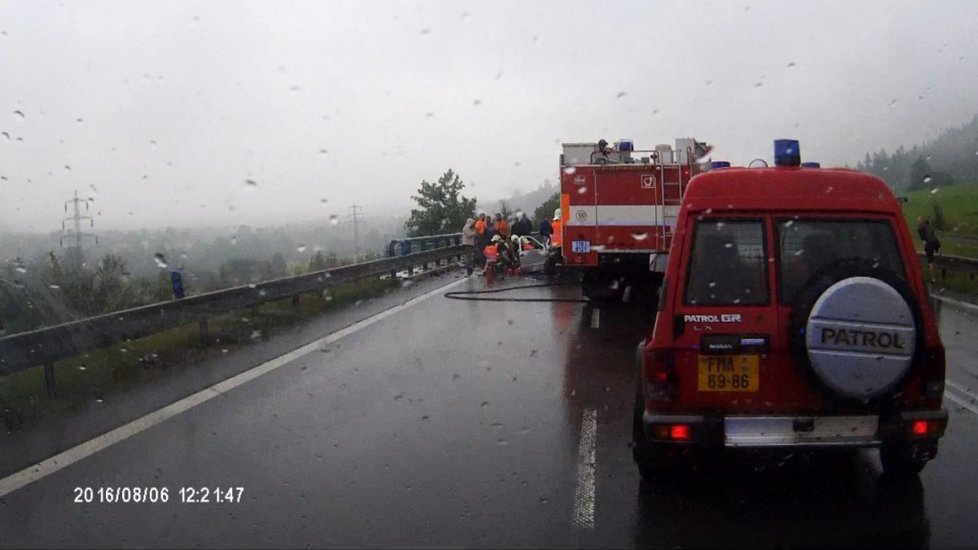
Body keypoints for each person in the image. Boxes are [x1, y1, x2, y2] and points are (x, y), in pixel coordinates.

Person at [917, 216, 941, 282]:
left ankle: (933, 279)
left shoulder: (920, 229)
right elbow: (933, 234)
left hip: (928, 245)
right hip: (935, 242)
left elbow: (924, 242)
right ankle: (939, 257)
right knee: (939, 251)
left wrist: (925, 245)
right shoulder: (928, 225)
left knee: (930, 262)